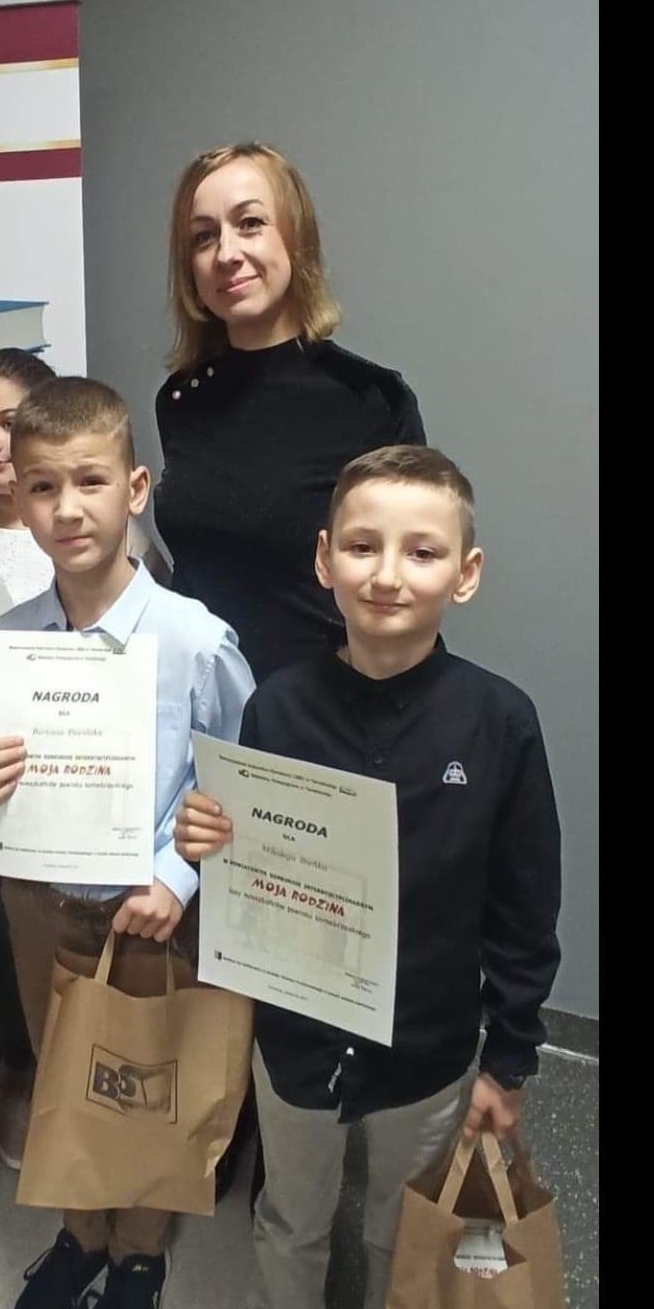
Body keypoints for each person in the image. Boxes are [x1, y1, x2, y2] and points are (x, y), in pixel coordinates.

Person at [175, 444, 561, 1309]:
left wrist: (509, 1057)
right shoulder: (278, 708)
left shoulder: (500, 722)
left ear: (465, 574)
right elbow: (251, 866)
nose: (388, 573)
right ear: (324, 561)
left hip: (427, 1040)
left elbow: (524, 904)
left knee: (403, 1219)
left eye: (421, 551)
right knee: (291, 1208)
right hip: (298, 1028)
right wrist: (209, 840)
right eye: (362, 546)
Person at [0, 378, 255, 1309]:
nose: (67, 508)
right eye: (42, 487)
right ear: (17, 497)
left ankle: (139, 1256)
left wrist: (176, 873)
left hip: (150, 913)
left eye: (90, 482)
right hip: (40, 903)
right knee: (65, 1070)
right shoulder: (11, 642)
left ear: (135, 489)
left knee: (149, 1083)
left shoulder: (196, 639)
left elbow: (236, 782)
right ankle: (82, 1233)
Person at [153, 141, 428, 1201]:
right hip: (211, 718)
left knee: (314, 943)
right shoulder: (182, 399)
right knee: (225, 928)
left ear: (294, 234)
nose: (227, 252)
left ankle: (305, 1143)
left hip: (324, 721)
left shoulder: (368, 398)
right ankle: (239, 1115)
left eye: (249, 222)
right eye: (203, 235)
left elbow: (402, 571)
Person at [0, 348, 164, 1171]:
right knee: (6, 928)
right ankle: (27, 1069)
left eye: (7, 423)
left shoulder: (106, 532)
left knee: (100, 941)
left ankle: (113, 1086)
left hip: (94, 785)